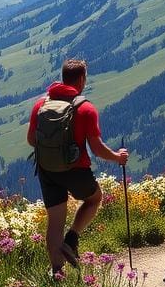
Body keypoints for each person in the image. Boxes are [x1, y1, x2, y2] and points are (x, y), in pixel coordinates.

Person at [27, 58, 129, 276]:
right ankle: (72, 237)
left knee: (54, 222)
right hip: (75, 170)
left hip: (46, 170)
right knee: (93, 199)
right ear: (82, 79)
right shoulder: (85, 109)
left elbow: (31, 140)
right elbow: (98, 149)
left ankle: (57, 272)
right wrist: (117, 157)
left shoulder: (40, 105)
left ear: (63, 77)